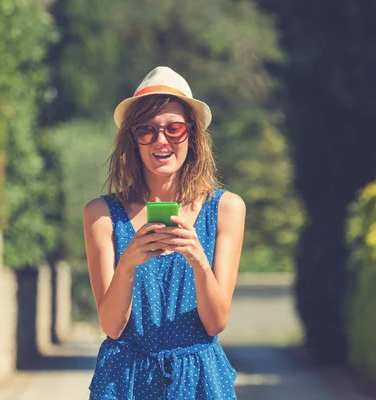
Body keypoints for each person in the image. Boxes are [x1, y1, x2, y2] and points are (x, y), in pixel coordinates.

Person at [83, 66, 246, 399]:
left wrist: (199, 261)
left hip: (200, 380)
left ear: (193, 136)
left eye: (174, 128)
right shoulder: (101, 215)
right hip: (124, 380)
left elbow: (215, 324)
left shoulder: (226, 209)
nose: (161, 140)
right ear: (133, 139)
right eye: (147, 130)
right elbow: (112, 327)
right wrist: (128, 262)